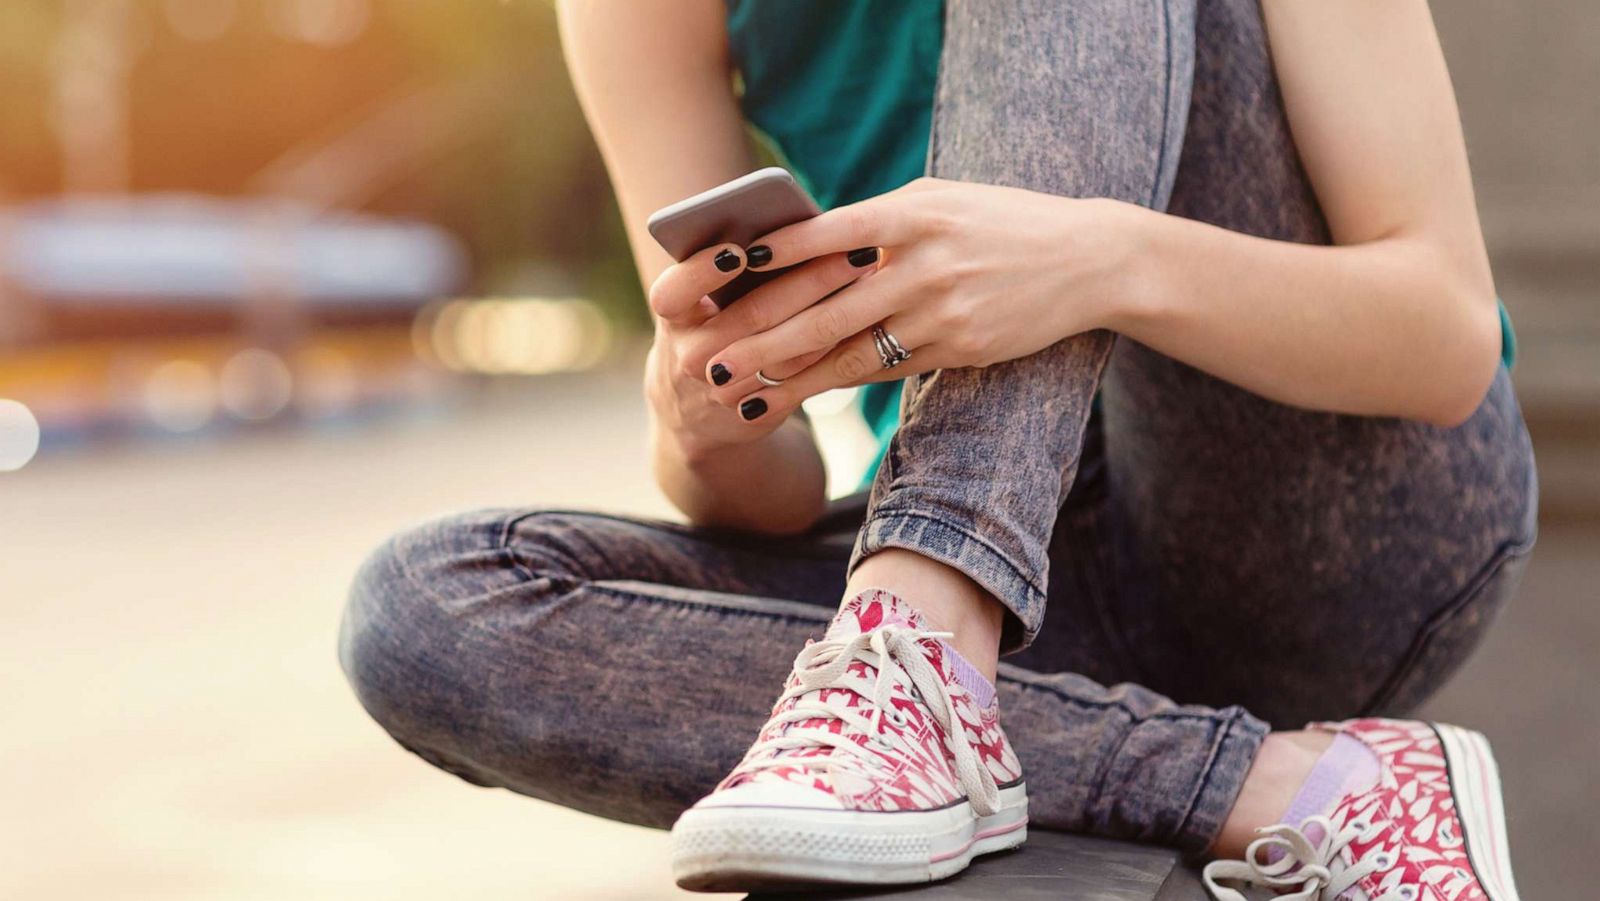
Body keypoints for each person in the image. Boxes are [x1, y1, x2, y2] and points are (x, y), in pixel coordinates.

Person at [340, 1, 1537, 897]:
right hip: (1022, 582)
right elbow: (770, 488)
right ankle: (1278, 787)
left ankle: (921, 638)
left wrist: (1101, 260)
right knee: (422, 610)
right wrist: (703, 419)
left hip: (1331, 517)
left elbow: (1440, 338)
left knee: (919, 582)